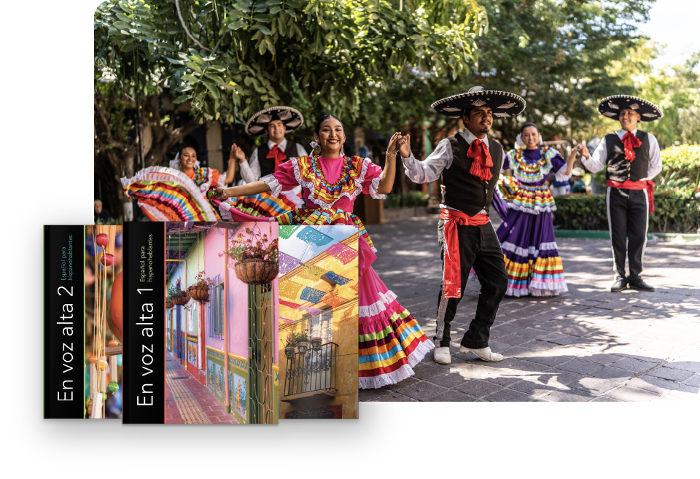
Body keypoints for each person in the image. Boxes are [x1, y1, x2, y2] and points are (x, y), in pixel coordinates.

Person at [211, 115, 434, 389]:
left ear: (344, 136)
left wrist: (390, 156)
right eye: (326, 130)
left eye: (338, 130)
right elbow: (266, 185)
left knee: (357, 300)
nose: (333, 134)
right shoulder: (303, 166)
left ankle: (355, 370)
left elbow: (385, 186)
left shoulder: (356, 166)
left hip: (345, 244)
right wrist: (227, 192)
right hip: (311, 241)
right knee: (312, 303)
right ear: (317, 137)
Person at [400, 85, 526, 365]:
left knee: (498, 282)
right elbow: (423, 174)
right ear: (466, 118)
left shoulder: (497, 149)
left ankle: (477, 340)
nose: (486, 118)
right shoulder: (450, 144)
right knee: (452, 285)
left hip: (483, 223)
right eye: (479, 113)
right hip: (455, 223)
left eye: (489, 113)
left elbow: (490, 185)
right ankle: (441, 341)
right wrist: (408, 156)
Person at [580, 95, 663, 292]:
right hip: (615, 193)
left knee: (638, 236)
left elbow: (656, 166)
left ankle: (635, 276)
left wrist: (639, 178)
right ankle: (619, 276)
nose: (625, 116)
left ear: (638, 118)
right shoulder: (608, 139)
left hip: (639, 193)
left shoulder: (649, 139)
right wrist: (585, 156)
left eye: (630, 113)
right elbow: (596, 166)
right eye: (623, 113)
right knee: (617, 236)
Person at [493, 122, 578, 297]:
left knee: (540, 239)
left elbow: (565, 172)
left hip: (541, 203)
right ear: (521, 137)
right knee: (517, 237)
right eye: (526, 135)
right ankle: (512, 284)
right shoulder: (514, 155)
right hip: (521, 202)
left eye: (533, 134)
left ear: (538, 135)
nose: (530, 138)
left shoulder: (548, 153)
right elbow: (494, 169)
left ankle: (536, 283)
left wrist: (574, 153)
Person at [121, 144, 237, 221]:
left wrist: (232, 157)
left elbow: (228, 179)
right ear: (179, 158)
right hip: (181, 221)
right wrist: (138, 192)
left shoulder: (204, 174)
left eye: (193, 156)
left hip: (205, 219)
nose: (190, 158)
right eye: (186, 155)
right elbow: (157, 194)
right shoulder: (172, 179)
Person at [233, 106, 308, 184]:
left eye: (279, 125)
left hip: (294, 195)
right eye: (272, 126)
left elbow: (308, 175)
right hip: (267, 195)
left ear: (284, 128)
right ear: (266, 131)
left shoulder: (297, 148)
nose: (276, 128)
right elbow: (251, 181)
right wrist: (242, 160)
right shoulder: (258, 151)